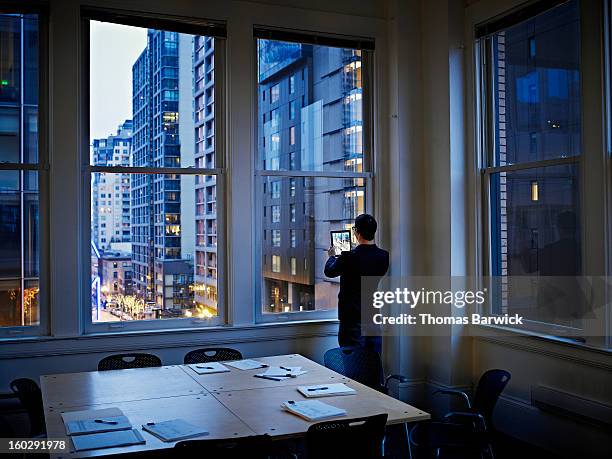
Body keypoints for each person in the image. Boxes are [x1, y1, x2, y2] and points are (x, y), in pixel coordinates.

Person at [324, 214, 389, 354]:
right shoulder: (384, 256)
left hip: (351, 319)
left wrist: (332, 257)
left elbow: (329, 272)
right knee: (373, 362)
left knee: (353, 364)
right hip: (373, 317)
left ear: (357, 232)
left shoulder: (348, 257)